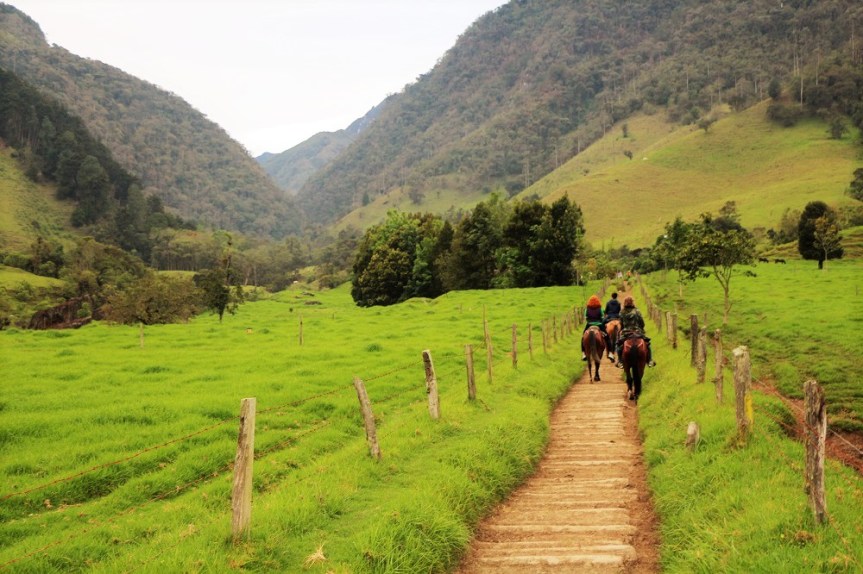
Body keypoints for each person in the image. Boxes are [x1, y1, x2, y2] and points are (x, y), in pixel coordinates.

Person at [615, 296, 656, 368]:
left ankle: (620, 361)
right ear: (632, 302)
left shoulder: (622, 312)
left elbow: (621, 323)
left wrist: (622, 329)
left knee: (619, 345)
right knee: (647, 344)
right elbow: (642, 323)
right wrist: (641, 328)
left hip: (626, 332)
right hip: (637, 331)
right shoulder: (637, 311)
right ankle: (650, 360)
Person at [582, 294, 611, 361]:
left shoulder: (587, 309)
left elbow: (585, 318)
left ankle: (583, 353)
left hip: (589, 324)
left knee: (583, 337)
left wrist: (589, 321)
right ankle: (610, 352)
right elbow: (602, 318)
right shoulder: (600, 309)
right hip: (599, 325)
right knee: (607, 337)